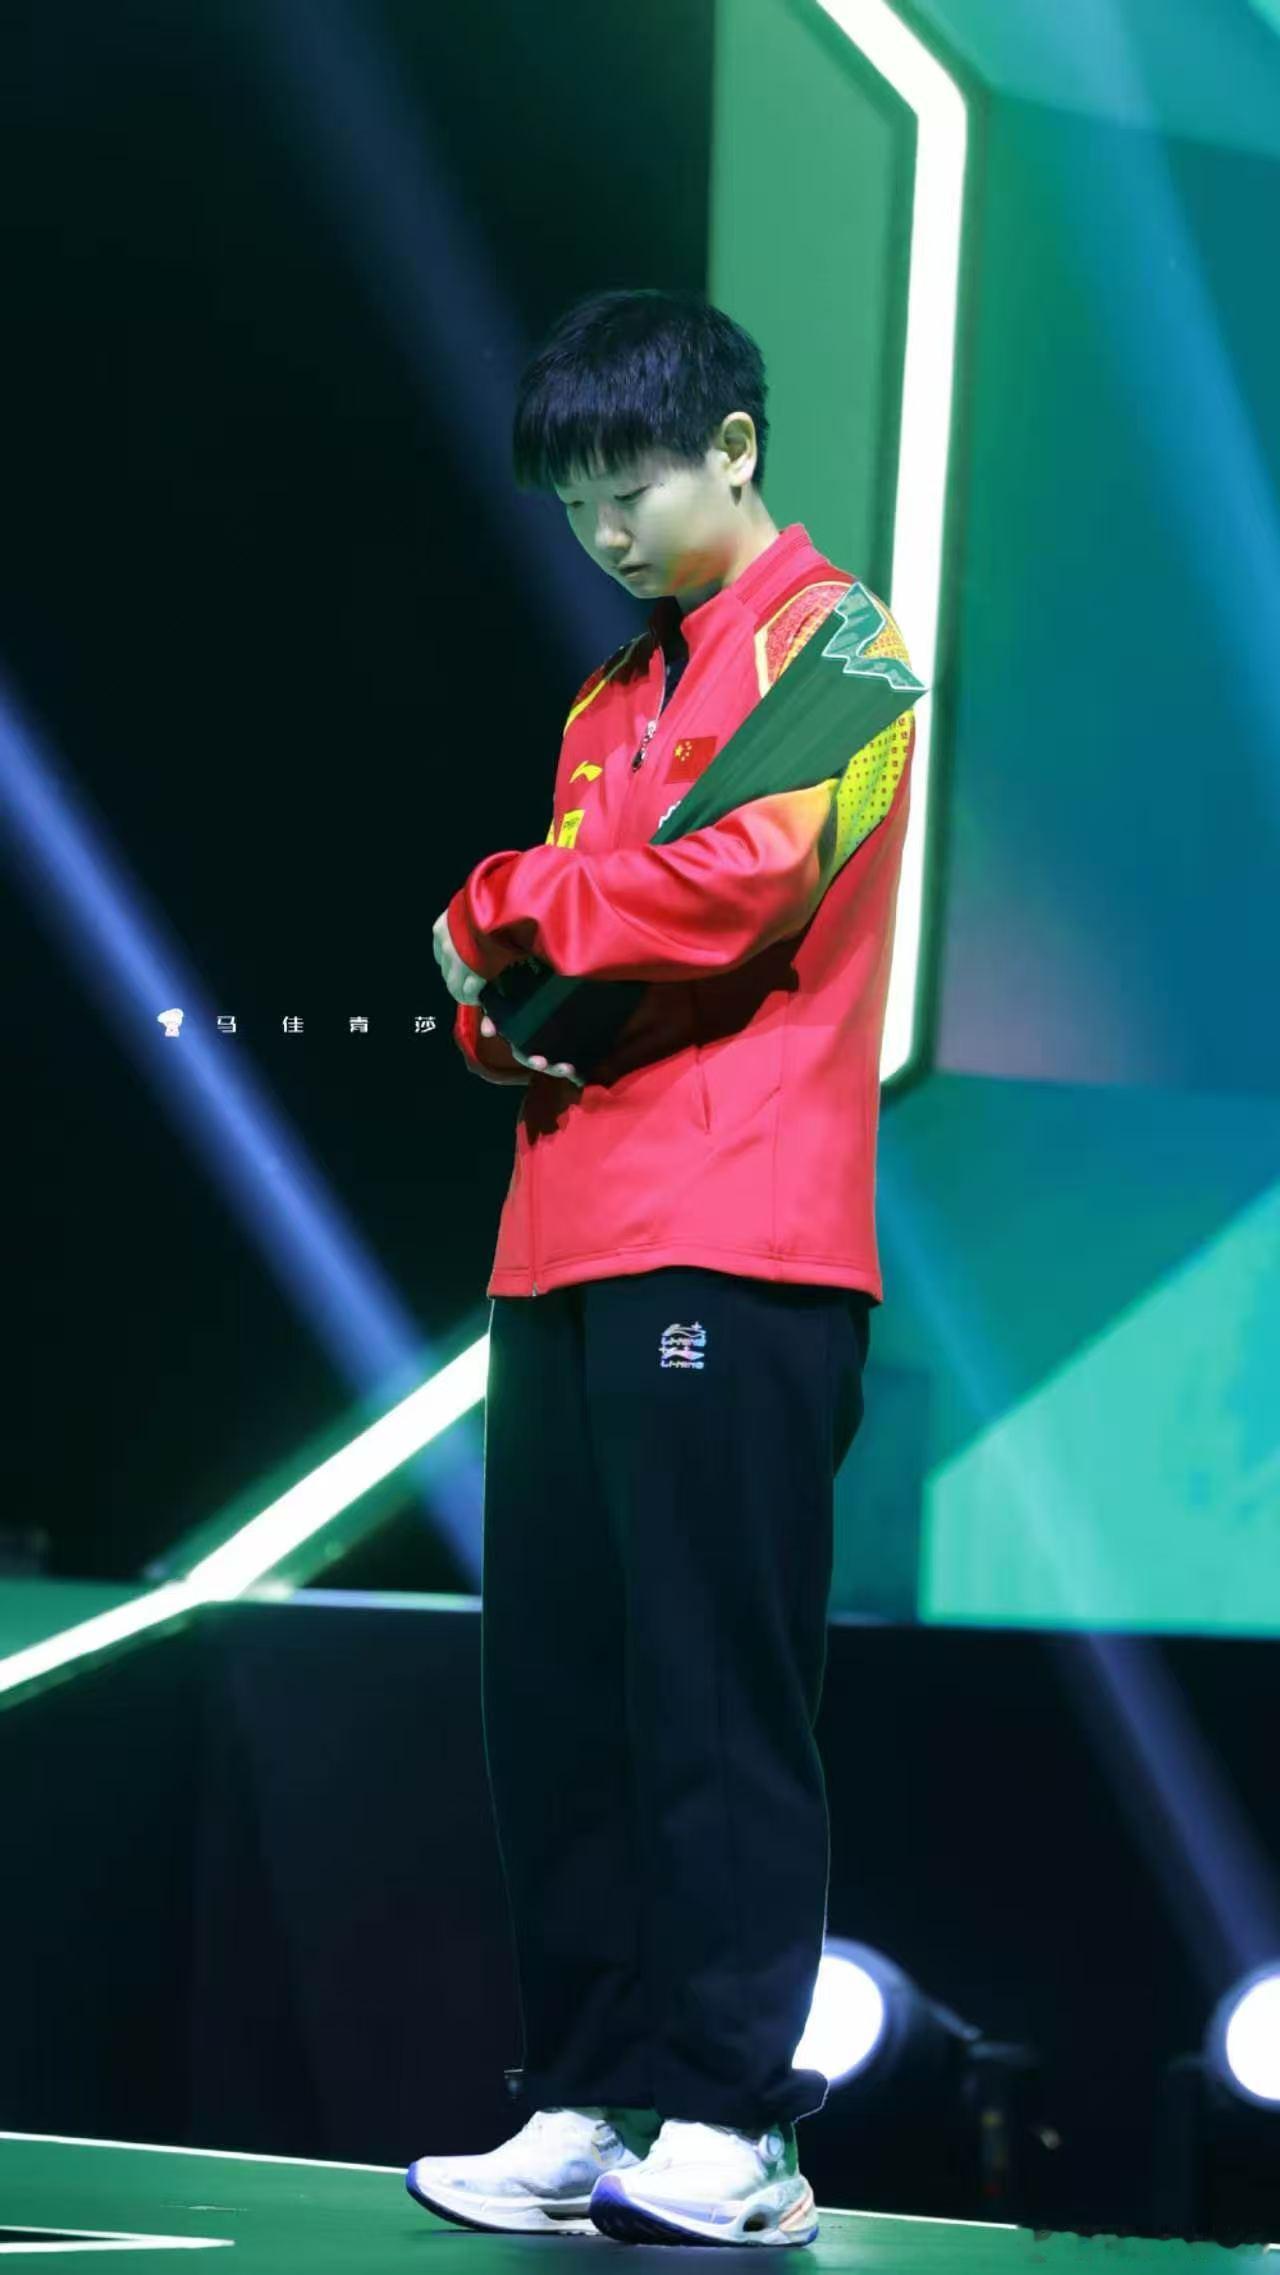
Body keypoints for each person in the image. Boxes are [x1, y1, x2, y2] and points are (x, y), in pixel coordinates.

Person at [409, 287, 916, 2250]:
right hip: (561, 1244)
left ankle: (735, 2126)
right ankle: (587, 2095)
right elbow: (539, 1001)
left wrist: (505, 901)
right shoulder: (603, 702)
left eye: (632, 486)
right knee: (554, 1695)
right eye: (575, 504)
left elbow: (733, 885)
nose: (606, 530)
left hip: (740, 1227)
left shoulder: (848, 647)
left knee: (711, 1691)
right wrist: (510, 979)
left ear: (735, 447)